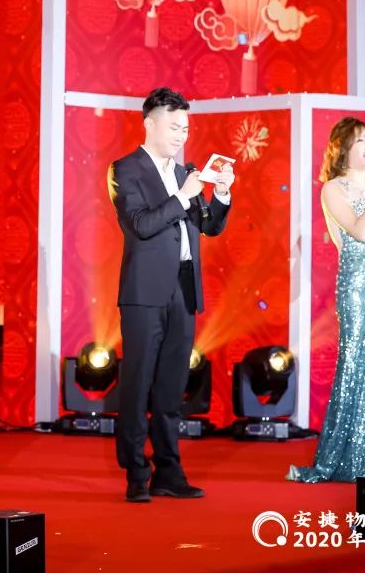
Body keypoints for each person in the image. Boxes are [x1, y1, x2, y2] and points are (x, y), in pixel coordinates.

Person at [108, 87, 234, 503]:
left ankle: (169, 471)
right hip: (144, 292)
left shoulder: (186, 173)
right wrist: (183, 196)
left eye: (186, 128)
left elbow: (209, 226)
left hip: (183, 286)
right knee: (138, 383)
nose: (182, 135)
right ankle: (135, 473)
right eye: (175, 126)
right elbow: (140, 225)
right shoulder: (125, 169)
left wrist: (221, 194)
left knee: (170, 386)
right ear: (150, 123)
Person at [288, 117, 365, 483]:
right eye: (361, 141)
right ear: (342, 148)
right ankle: (347, 457)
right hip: (357, 284)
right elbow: (359, 232)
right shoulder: (333, 188)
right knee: (359, 361)